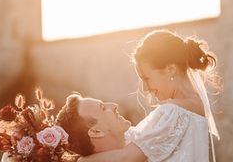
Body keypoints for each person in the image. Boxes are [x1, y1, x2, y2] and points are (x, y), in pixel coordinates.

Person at [59, 29, 220, 162]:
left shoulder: (171, 112)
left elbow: (126, 157)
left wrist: (81, 161)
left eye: (147, 78)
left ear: (170, 69)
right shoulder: (196, 109)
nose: (144, 88)